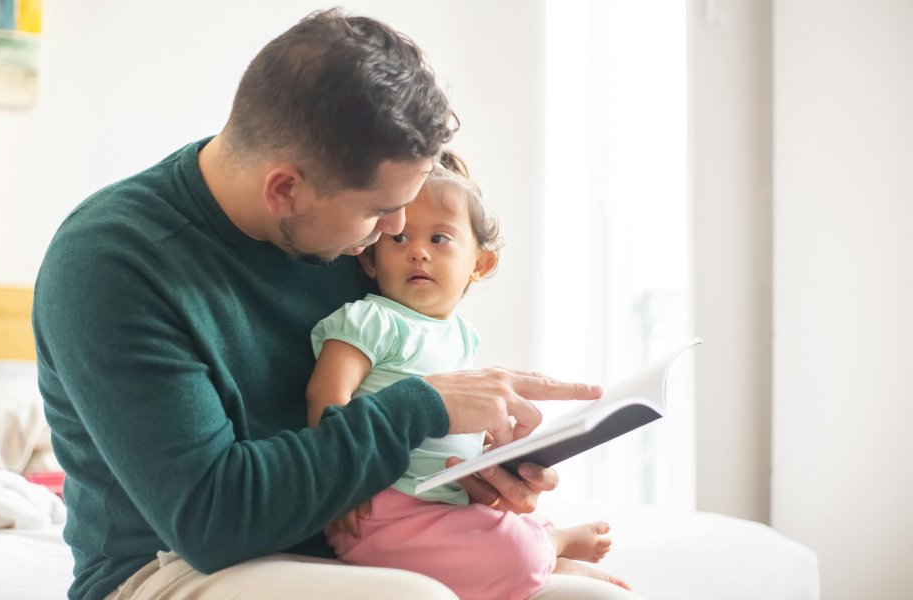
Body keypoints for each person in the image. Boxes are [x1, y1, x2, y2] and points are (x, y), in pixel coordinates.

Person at [33, 8, 643, 600]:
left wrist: (474, 470)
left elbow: (389, 413)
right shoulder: (112, 264)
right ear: (285, 190)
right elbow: (214, 521)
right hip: (172, 564)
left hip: (369, 540)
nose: (396, 231)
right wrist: (422, 410)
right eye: (381, 211)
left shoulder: (348, 235)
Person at [306, 152, 631, 600]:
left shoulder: (461, 337)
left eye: (439, 238)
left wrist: (490, 453)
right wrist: (342, 481)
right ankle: (548, 552)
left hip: (445, 501)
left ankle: (545, 548)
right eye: (399, 238)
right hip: (380, 510)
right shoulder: (370, 320)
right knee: (514, 549)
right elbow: (326, 394)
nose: (418, 250)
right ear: (370, 262)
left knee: (516, 521)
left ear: (480, 264)